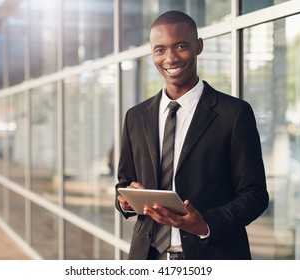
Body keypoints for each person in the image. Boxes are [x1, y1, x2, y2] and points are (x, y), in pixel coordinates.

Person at [115, 10, 269, 260]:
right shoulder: (136, 116)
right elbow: (124, 182)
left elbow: (255, 195)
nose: (170, 58)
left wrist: (205, 223)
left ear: (198, 46)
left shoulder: (234, 114)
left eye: (181, 46)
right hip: (148, 257)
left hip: (214, 255)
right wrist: (124, 200)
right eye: (160, 50)